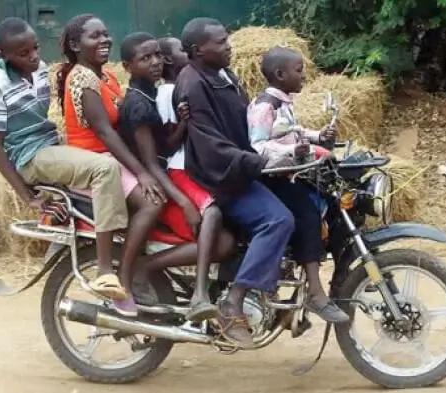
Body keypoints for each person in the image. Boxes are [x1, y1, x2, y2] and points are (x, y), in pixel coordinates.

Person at [0, 17, 130, 302]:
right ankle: (104, 269)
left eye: (36, 48)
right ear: (3, 55)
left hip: (51, 142)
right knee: (105, 168)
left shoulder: (40, 72)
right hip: (30, 155)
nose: (34, 57)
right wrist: (28, 197)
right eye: (24, 54)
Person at [174, 17, 295, 347]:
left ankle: (272, 290)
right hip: (221, 179)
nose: (229, 45)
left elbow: (248, 123)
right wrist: (256, 161)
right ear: (199, 50)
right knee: (277, 219)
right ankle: (234, 301)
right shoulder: (192, 85)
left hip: (240, 169)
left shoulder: (223, 74)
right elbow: (210, 145)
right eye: (221, 41)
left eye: (227, 39)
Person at [117, 32, 235, 322]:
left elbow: (165, 146)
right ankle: (161, 276)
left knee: (226, 234)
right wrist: (183, 202)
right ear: (127, 66)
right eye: (146, 58)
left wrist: (181, 124)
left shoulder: (151, 94)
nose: (156, 62)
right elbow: (152, 163)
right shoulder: (138, 104)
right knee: (217, 229)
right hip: (162, 180)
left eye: (157, 55)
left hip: (166, 174)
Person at [56, 14, 168, 317]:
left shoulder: (106, 76)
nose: (104, 40)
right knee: (151, 202)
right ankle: (124, 281)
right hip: (95, 162)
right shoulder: (81, 78)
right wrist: (143, 173)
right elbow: (105, 132)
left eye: (106, 34)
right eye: (95, 36)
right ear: (76, 44)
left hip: (111, 157)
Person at [247, 46, 349, 323]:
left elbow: (293, 132)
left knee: (327, 204)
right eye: (299, 71)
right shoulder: (264, 106)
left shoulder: (284, 102)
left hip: (290, 173)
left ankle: (310, 289)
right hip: (271, 179)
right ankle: (315, 293)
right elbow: (257, 148)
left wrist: (318, 136)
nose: (304, 76)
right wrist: (294, 152)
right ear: (280, 74)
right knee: (306, 215)